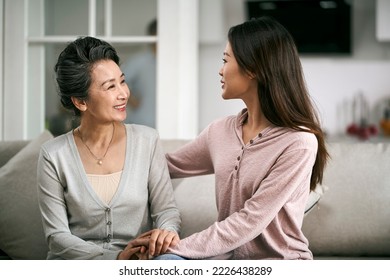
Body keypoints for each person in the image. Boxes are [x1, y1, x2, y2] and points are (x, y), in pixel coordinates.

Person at [164, 16, 329, 260]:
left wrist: (174, 247)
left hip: (279, 263)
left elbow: (249, 221)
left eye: (225, 60)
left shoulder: (299, 143)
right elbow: (165, 166)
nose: (220, 70)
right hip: (227, 258)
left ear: (252, 68)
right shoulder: (219, 131)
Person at [36, 36, 181, 260]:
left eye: (122, 81)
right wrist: (113, 259)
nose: (123, 93)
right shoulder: (53, 155)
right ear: (80, 102)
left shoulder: (147, 140)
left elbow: (166, 211)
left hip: (137, 263)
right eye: (110, 86)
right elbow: (56, 236)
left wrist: (165, 234)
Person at [122, 19, 157, 128]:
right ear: (152, 36)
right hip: (140, 125)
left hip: (169, 127)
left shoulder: (175, 64)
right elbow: (116, 81)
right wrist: (131, 99)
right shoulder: (139, 61)